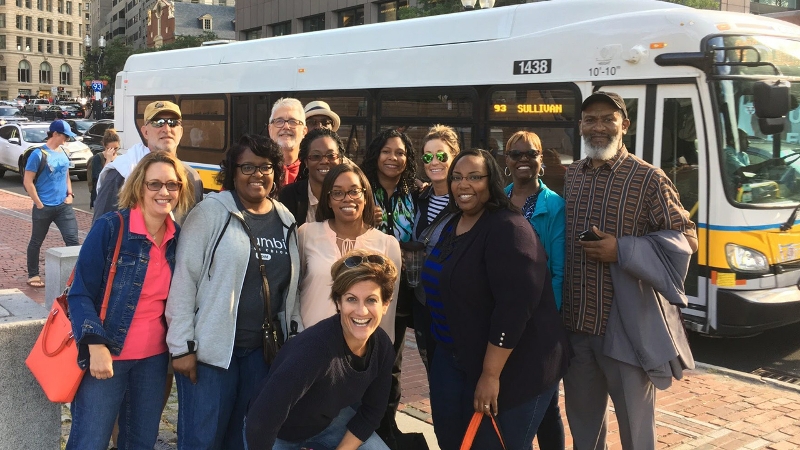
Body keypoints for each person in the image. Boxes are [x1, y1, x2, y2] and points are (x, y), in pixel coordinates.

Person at [562, 91, 698, 450]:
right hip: (576, 326)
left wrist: (622, 249)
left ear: (625, 124)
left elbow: (686, 237)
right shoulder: (572, 175)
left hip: (623, 329)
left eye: (608, 119)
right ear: (580, 126)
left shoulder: (648, 178)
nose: (599, 127)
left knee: (637, 432)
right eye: (590, 119)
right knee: (583, 430)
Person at [422, 149, 568, 450]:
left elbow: (514, 308)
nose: (464, 185)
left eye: (475, 177)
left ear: (492, 182)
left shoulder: (510, 229)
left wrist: (490, 375)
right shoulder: (453, 221)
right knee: (452, 440)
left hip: (514, 365)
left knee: (492, 444)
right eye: (457, 178)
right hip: (454, 355)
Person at [165, 134, 301, 450]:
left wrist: (292, 337)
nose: (257, 174)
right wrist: (182, 346)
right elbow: (185, 278)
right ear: (233, 171)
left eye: (265, 166)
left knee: (244, 438)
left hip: (260, 353)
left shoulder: (285, 220)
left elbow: (290, 289)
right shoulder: (210, 212)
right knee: (202, 438)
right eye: (247, 167)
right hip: (211, 352)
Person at [65, 151, 195, 450]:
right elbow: (80, 291)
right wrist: (94, 344)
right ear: (139, 187)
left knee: (140, 441)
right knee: (89, 440)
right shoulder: (112, 228)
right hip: (107, 355)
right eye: (155, 184)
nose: (164, 192)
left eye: (172, 185)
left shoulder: (179, 238)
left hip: (153, 360)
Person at [244, 249, 398, 450]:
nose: (362, 311)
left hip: (327, 423)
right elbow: (261, 421)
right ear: (338, 303)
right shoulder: (314, 349)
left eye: (371, 300)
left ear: (385, 304)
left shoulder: (382, 347)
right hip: (276, 431)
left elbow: (372, 412)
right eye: (351, 299)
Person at [503, 131, 566, 450]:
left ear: (542, 160)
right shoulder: (498, 199)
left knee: (545, 405)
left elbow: (558, 270)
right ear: (507, 160)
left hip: (539, 323)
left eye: (531, 154)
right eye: (516, 154)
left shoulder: (554, 206)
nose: (523, 160)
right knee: (512, 401)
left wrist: (541, 321)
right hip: (503, 318)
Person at [297, 162, 401, 336]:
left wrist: (382, 353)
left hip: (362, 351)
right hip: (311, 343)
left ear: (366, 196)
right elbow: (294, 293)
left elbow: (388, 310)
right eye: (337, 193)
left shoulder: (387, 244)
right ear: (329, 200)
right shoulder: (307, 233)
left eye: (354, 191)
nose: (347, 198)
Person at [362, 128, 418, 448]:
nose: (393, 158)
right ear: (376, 155)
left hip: (402, 291)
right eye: (387, 151)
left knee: (391, 361)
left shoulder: (415, 192)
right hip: (365, 287)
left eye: (400, 153)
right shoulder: (361, 190)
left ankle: (386, 424)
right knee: (362, 357)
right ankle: (360, 421)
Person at [93, 100, 204, 223]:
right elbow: (100, 232)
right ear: (145, 132)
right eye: (158, 123)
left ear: (181, 132)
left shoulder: (191, 178)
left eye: (173, 123)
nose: (166, 129)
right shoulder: (120, 174)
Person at [411, 124, 460, 372]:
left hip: (454, 305)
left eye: (441, 155)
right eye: (428, 156)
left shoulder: (465, 201)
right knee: (432, 369)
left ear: (454, 156)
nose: (434, 162)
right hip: (423, 302)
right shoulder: (419, 198)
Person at [24, 120, 80, 288]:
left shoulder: (64, 151)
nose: (66, 140)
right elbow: (28, 181)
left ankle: (77, 276)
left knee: (72, 240)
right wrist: (39, 203)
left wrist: (69, 194)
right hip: (44, 206)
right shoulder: (38, 154)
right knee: (36, 241)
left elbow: (66, 174)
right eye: (65, 136)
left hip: (64, 206)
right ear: (55, 134)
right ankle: (33, 274)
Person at [278, 128, 345, 227]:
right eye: (316, 156)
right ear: (306, 162)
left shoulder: (351, 195)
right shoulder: (288, 196)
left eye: (331, 155)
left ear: (340, 160)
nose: (324, 161)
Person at [269, 98, 308, 185]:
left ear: (304, 131)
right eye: (279, 121)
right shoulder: (260, 169)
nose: (286, 126)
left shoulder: (312, 170)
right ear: (270, 129)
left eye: (293, 122)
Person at [87, 128, 121, 209]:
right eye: (110, 149)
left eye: (116, 148)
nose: (113, 151)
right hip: (101, 197)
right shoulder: (98, 158)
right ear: (105, 146)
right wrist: (108, 160)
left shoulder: (120, 157)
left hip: (116, 197)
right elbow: (100, 178)